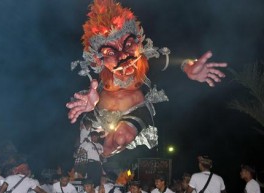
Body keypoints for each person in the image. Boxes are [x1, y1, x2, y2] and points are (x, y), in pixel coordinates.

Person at [66, 0, 227, 157]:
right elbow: (73, 96)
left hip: (134, 110)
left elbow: (175, 59)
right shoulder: (92, 70)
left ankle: (103, 162)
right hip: (99, 115)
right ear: (98, 58)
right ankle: (95, 164)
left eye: (128, 45)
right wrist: (90, 101)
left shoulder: (148, 60)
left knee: (122, 137)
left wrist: (189, 67)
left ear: (138, 41)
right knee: (84, 150)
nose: (123, 56)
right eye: (110, 52)